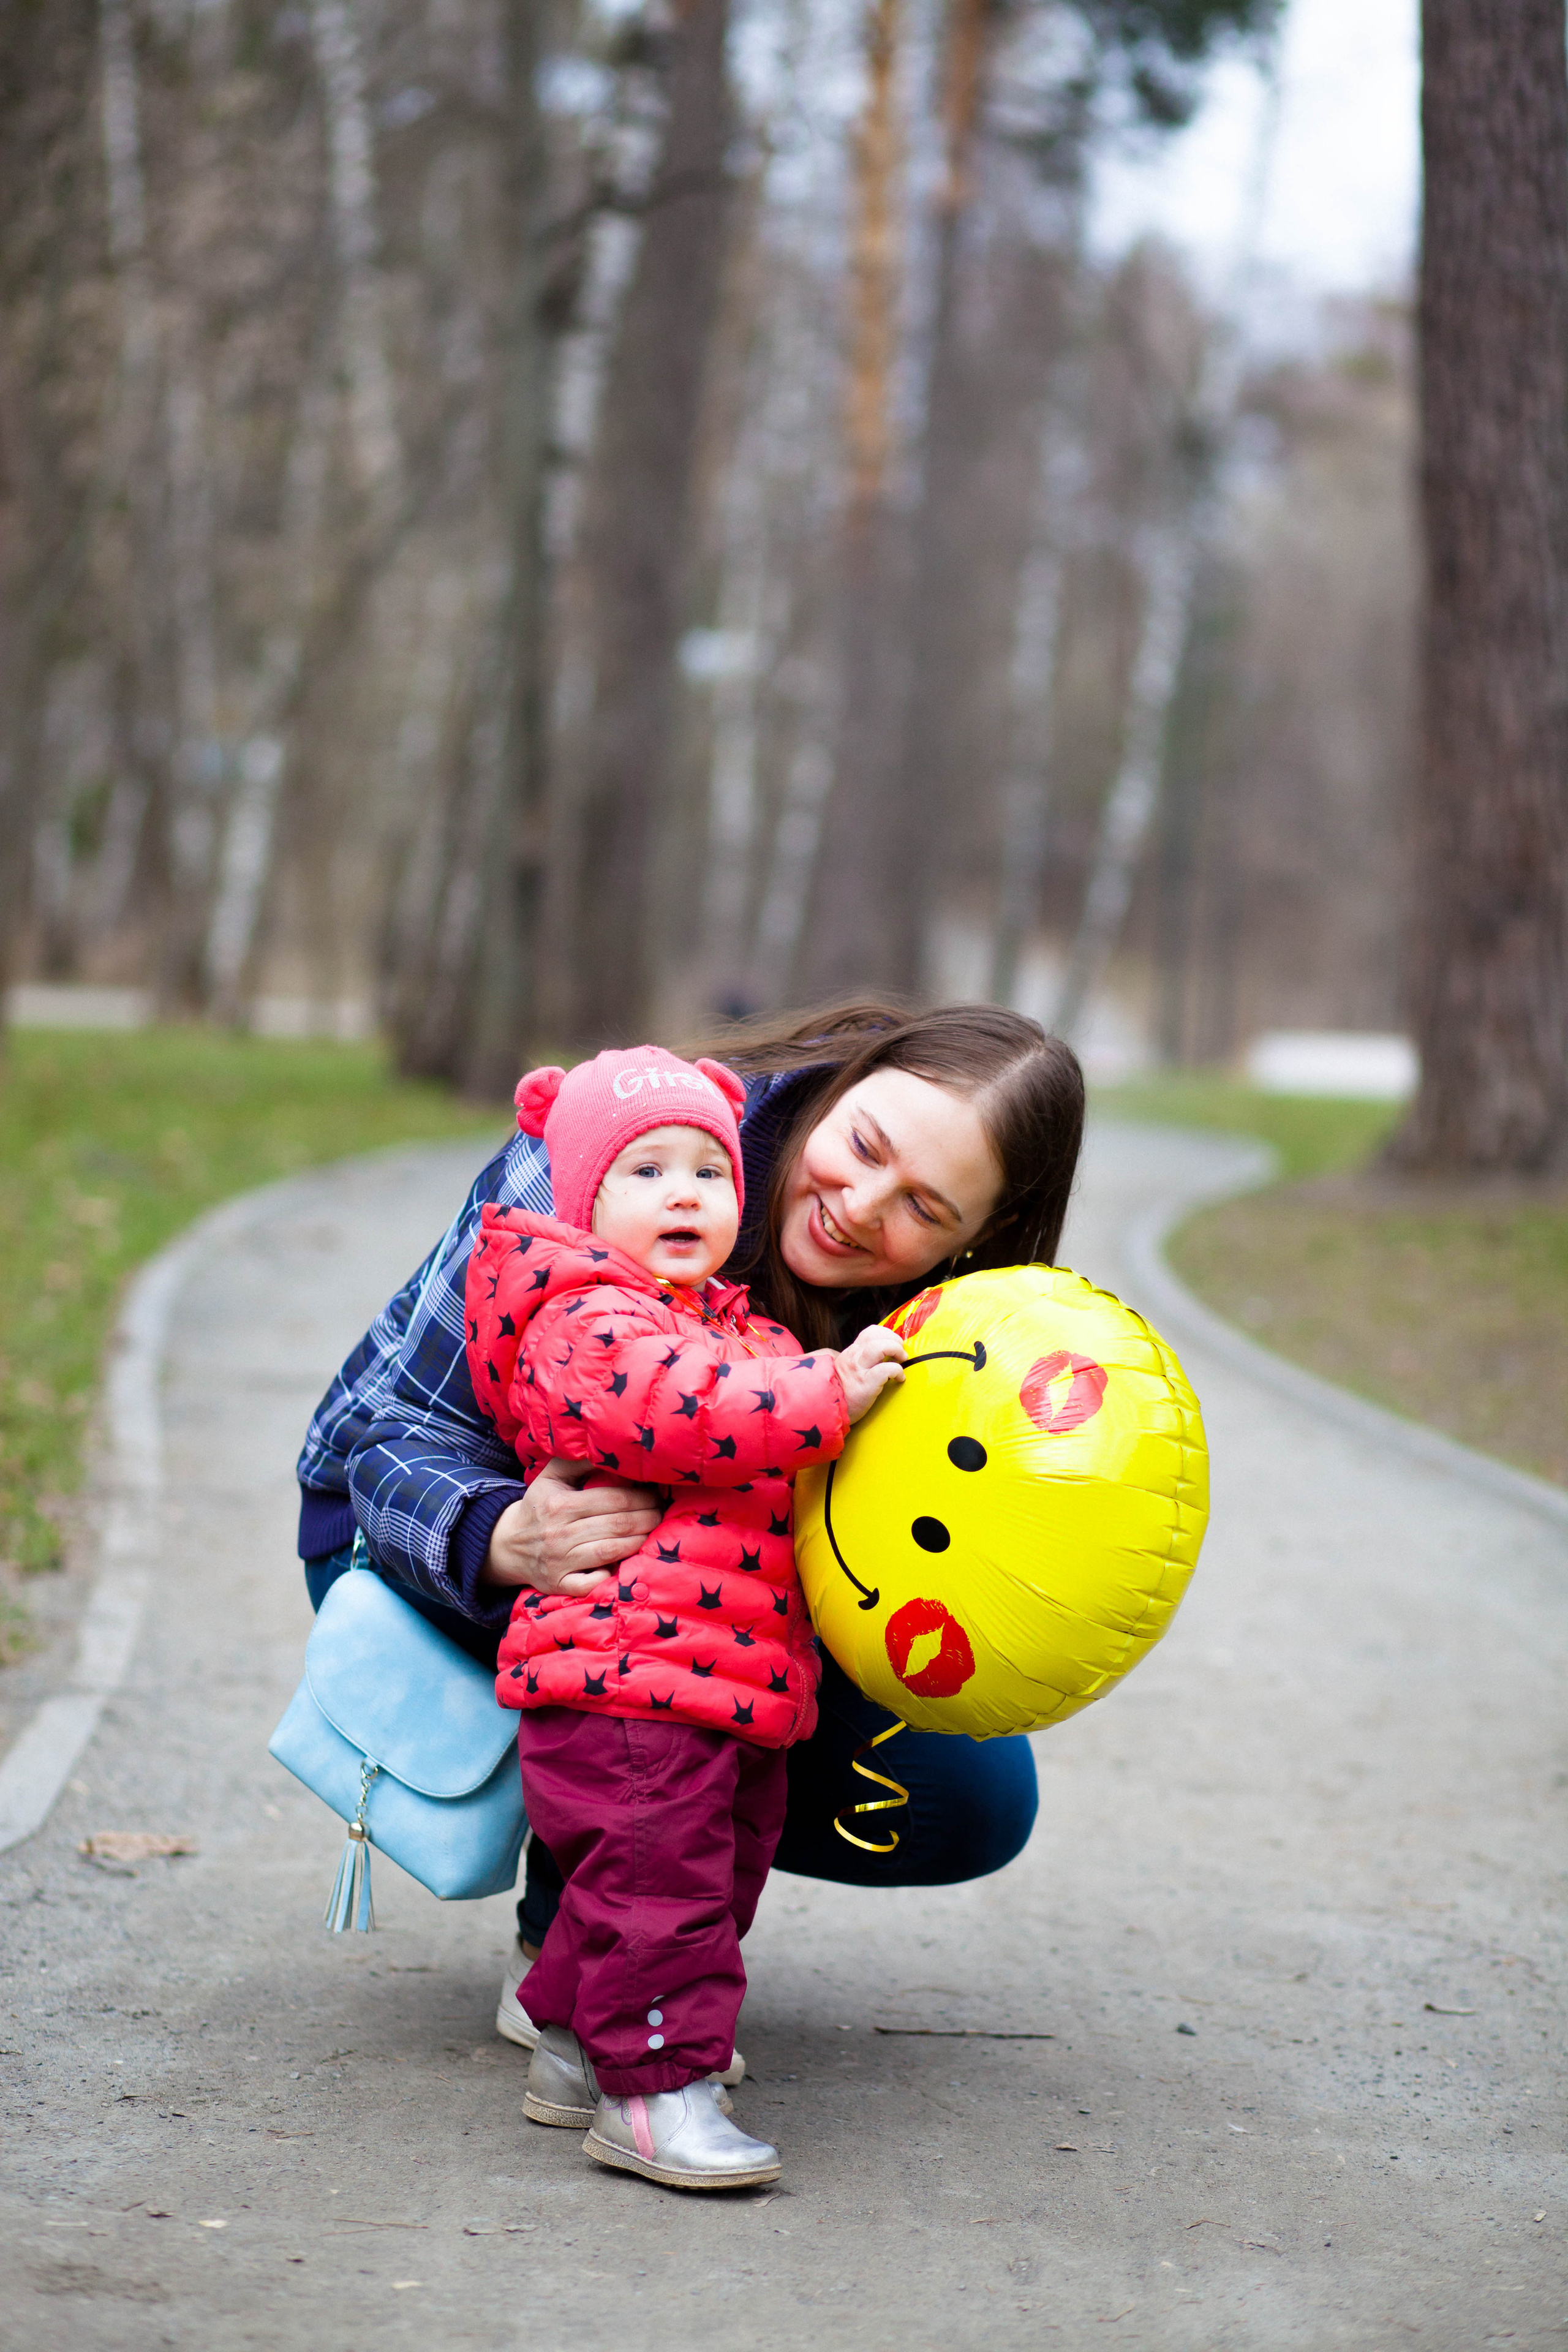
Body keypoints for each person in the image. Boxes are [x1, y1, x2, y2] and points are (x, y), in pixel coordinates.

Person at [295, 1001, 1083, 2057]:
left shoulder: (950, 1325)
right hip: (427, 1540)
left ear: (970, 1243)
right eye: (864, 1147)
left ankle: (619, 1911)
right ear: (841, 1084)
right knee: (647, 1598)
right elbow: (378, 1436)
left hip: (711, 1595)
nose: (859, 1208)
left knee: (966, 1799)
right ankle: (588, 1947)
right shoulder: (629, 1145)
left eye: (922, 1208)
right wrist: (496, 1534)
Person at [467, 1045, 907, 2189]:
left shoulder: (739, 1328)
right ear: (581, 1199)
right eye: (646, 1170)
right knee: (663, 1896)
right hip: (623, 1680)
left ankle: (569, 2048)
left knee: (704, 1881)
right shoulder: (586, 1320)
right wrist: (832, 1391)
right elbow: (687, 1412)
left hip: (719, 1681)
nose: (682, 1194)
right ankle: (655, 2094)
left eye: (708, 1172)